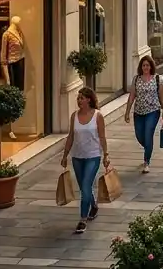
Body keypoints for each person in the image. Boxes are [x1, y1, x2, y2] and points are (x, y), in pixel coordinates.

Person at [60, 87, 109, 233]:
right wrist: (65, 155)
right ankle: (93, 205)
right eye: (78, 98)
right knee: (83, 188)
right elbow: (70, 136)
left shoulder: (97, 116)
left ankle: (82, 219)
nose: (79, 100)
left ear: (89, 99)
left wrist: (106, 154)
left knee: (87, 185)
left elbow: (102, 136)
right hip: (77, 156)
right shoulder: (74, 116)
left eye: (81, 98)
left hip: (93, 156)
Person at [123, 56, 163, 173]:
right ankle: (148, 146)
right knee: (139, 136)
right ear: (141, 67)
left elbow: (161, 96)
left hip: (153, 111)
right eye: (143, 65)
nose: (145, 67)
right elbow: (132, 95)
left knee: (148, 134)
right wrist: (127, 111)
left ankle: (147, 161)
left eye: (147, 65)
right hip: (138, 112)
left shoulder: (157, 79)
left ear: (151, 66)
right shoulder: (136, 79)